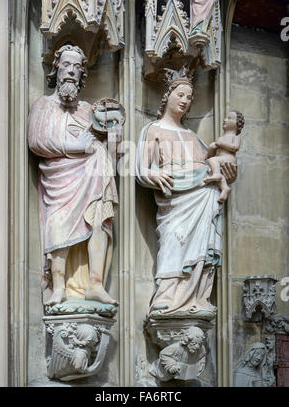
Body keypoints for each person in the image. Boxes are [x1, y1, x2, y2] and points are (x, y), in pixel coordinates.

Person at [136, 66, 237, 320]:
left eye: (189, 97)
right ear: (167, 96)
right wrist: (156, 174)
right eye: (180, 94)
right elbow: (141, 169)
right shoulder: (153, 130)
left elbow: (213, 163)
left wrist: (227, 171)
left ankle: (198, 296)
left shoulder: (193, 137)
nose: (185, 100)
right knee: (173, 242)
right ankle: (167, 296)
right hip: (175, 201)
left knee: (202, 245)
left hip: (203, 195)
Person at [28, 44, 119, 306]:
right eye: (66, 65)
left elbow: (112, 150)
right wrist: (75, 147)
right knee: (58, 226)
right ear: (56, 68)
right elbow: (37, 141)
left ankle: (95, 284)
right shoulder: (43, 105)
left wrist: (114, 133)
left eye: (77, 67)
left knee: (98, 223)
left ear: (83, 75)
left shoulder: (89, 110)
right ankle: (59, 287)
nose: (71, 71)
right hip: (60, 178)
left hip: (93, 175)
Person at [205, 111, 245, 203]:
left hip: (228, 159)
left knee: (213, 161)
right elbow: (213, 152)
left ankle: (216, 174)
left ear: (237, 123)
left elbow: (235, 147)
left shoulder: (235, 136)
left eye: (229, 118)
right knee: (216, 167)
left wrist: (221, 143)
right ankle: (225, 189)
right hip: (220, 160)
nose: (225, 120)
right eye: (225, 117)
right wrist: (211, 148)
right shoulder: (221, 137)